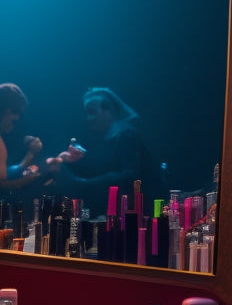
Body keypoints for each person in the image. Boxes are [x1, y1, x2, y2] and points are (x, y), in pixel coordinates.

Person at [59, 87, 163, 217]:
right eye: (87, 113)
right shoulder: (107, 138)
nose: (88, 118)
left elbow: (130, 176)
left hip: (136, 214)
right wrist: (72, 163)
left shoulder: (127, 135)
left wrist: (85, 183)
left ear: (109, 111)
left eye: (92, 112)